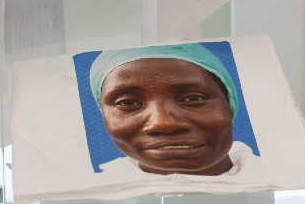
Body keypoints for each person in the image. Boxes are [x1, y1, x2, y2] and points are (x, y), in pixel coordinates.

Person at [89, 44, 266, 177]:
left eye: (193, 98)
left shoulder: (278, 180)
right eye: (127, 102)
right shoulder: (95, 196)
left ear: (230, 104)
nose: (163, 123)